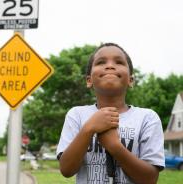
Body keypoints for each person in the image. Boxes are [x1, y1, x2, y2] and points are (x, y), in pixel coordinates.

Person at [56, 43, 165, 184]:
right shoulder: (76, 115)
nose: (110, 66)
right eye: (101, 62)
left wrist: (115, 146)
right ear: (89, 80)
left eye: (119, 62)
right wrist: (89, 129)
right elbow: (66, 170)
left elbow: (150, 179)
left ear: (131, 80)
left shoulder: (148, 118)